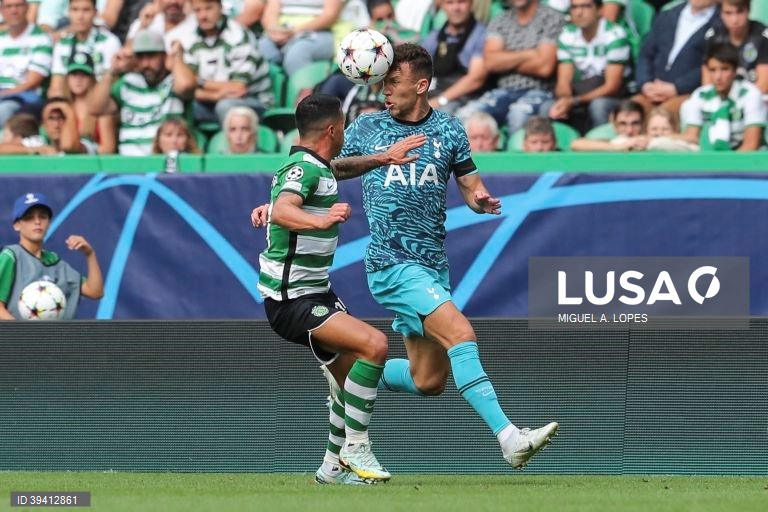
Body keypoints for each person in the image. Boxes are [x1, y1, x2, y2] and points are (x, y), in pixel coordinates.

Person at [339, 43, 559, 470]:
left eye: (395, 83)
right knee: (460, 332)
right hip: (391, 263)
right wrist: (379, 159)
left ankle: (349, 372)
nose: (386, 91)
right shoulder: (368, 130)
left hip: (431, 267)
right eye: (383, 82)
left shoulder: (450, 130)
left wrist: (479, 199)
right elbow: (330, 166)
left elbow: (468, 183)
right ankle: (510, 438)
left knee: (429, 380)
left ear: (421, 85)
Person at [253, 93, 426, 485]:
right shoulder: (303, 169)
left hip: (316, 293)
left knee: (346, 382)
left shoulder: (315, 165)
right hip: (292, 301)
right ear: (333, 129)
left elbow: (335, 170)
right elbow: (283, 209)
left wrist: (382, 158)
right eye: (344, 126)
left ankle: (332, 468)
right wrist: (323, 219)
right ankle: (356, 447)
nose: (346, 132)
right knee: (375, 346)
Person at [457, 0, 564, 136]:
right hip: (504, 91)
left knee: (517, 114)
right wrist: (531, 53)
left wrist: (505, 58)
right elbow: (490, 63)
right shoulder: (500, 20)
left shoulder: (552, 18)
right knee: (466, 114)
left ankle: (514, 157)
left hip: (540, 91)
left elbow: (544, 67)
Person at [89, 28, 196, 155]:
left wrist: (177, 56)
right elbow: (95, 108)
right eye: (140, 57)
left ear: (164, 56)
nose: (145, 63)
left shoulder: (174, 81)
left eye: (151, 56)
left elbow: (186, 86)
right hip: (130, 163)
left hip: (166, 163)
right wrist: (112, 71)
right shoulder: (128, 83)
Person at [0, 192, 104, 320]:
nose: (37, 221)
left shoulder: (55, 262)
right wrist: (23, 335)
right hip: (18, 339)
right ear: (17, 225)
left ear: (49, 223)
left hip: (54, 338)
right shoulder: (10, 256)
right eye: (29, 217)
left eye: (42, 217)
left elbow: (95, 292)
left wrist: (90, 254)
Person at [543, 0, 631, 133]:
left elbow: (612, 87)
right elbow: (563, 82)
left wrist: (573, 101)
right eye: (574, 7)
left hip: (612, 96)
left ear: (599, 10)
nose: (579, 12)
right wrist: (565, 101)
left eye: (586, 6)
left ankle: (601, 148)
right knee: (548, 107)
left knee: (599, 106)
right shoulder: (567, 35)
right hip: (578, 94)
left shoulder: (615, 35)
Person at [187, 0, 273, 125]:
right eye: (198, 10)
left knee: (225, 106)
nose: (203, 16)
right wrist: (214, 96)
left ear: (221, 8)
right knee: (180, 104)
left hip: (255, 102)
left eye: (208, 8)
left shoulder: (238, 35)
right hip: (212, 102)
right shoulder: (191, 38)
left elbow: (238, 88)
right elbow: (187, 88)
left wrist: (199, 82)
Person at [632, 0, 721, 116]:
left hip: (688, 93)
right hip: (652, 90)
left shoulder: (722, 21)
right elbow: (645, 55)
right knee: (628, 111)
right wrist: (645, 84)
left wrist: (676, 88)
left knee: (662, 116)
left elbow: (713, 65)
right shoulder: (667, 15)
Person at [680, 42, 766, 151]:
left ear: (735, 71)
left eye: (724, 69)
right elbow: (692, 137)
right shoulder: (700, 95)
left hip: (746, 164)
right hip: (710, 162)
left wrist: (726, 166)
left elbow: (750, 146)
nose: (718, 77)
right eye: (713, 70)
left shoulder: (751, 95)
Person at [422, 0, 488, 115]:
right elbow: (419, 69)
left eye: (461, 2)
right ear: (442, 6)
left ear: (471, 4)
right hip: (436, 93)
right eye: (450, 2)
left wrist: (440, 100)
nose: (456, 8)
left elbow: (476, 79)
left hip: (467, 99)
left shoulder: (482, 35)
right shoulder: (434, 37)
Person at [48, 0, 122, 98]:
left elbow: (112, 83)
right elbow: (56, 85)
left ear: (95, 13)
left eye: (86, 10)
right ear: (68, 13)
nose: (80, 16)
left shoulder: (109, 41)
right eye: (75, 10)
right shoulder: (62, 44)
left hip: (100, 100)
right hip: (71, 100)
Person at [0, 0, 53, 126]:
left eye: (18, 5)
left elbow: (32, 83)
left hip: (23, 98)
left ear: (27, 7)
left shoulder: (41, 39)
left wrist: (3, 94)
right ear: (2, 10)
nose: (14, 11)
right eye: (9, 6)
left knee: (3, 110)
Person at [258, 0, 343, 75]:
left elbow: (330, 15)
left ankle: (304, 91)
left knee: (297, 54)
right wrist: (275, 30)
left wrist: (294, 32)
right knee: (262, 49)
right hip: (283, 30)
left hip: (320, 30)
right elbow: (270, 13)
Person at [703, 0, 768, 94]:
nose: (734, 20)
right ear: (720, 14)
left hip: (753, 101)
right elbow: (707, 84)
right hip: (720, 101)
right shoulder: (713, 36)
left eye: (740, 12)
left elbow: (762, 87)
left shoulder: (763, 36)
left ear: (748, 11)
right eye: (728, 13)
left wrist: (736, 104)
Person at [65, 51, 117, 155]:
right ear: (67, 78)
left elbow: (108, 148)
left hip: (94, 166)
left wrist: (85, 149)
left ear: (92, 78)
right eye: (74, 74)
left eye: (84, 74)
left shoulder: (101, 107)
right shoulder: (62, 106)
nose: (78, 79)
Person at [570, 98, 649, 151]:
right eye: (622, 124)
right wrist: (619, 147)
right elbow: (576, 144)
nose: (629, 130)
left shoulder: (653, 131)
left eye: (635, 123)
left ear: (643, 122)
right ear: (613, 122)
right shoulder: (603, 134)